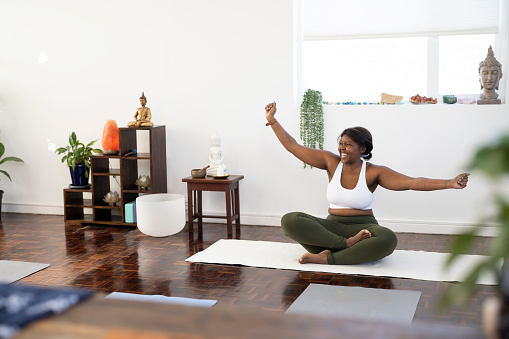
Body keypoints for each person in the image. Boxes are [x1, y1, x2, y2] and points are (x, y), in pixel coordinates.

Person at [264, 101, 469, 265]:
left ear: (363, 149)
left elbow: (412, 182)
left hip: (365, 229)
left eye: (348, 145)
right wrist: (272, 120)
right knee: (290, 220)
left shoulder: (374, 172)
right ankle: (347, 247)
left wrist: (449, 183)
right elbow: (293, 146)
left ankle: (329, 257)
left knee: (388, 239)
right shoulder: (331, 162)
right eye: (341, 143)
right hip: (331, 229)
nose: (342, 148)